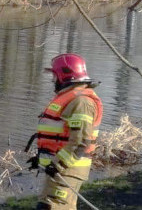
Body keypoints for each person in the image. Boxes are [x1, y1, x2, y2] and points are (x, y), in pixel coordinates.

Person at [26, 54, 102, 210]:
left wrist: (57, 165)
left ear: (63, 75)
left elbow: (80, 141)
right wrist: (42, 159)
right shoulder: (72, 99)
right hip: (61, 169)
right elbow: (62, 136)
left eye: (55, 76)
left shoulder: (82, 102)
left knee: (51, 206)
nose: (53, 80)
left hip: (67, 169)